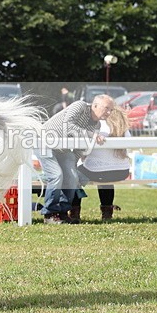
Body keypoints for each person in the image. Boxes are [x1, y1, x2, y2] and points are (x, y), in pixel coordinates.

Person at [38, 94, 114, 224]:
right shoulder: (80, 106)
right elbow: (68, 125)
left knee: (73, 177)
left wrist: (72, 165)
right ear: (95, 105)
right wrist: (91, 135)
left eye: (111, 110)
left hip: (64, 150)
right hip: (45, 144)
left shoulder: (97, 127)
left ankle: (62, 212)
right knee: (57, 175)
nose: (109, 112)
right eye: (107, 108)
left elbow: (80, 149)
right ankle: (49, 214)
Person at [72, 105, 131, 222]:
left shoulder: (96, 126)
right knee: (105, 177)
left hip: (96, 171)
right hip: (122, 172)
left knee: (74, 177)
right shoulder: (124, 129)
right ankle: (107, 213)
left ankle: (74, 213)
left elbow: (84, 151)